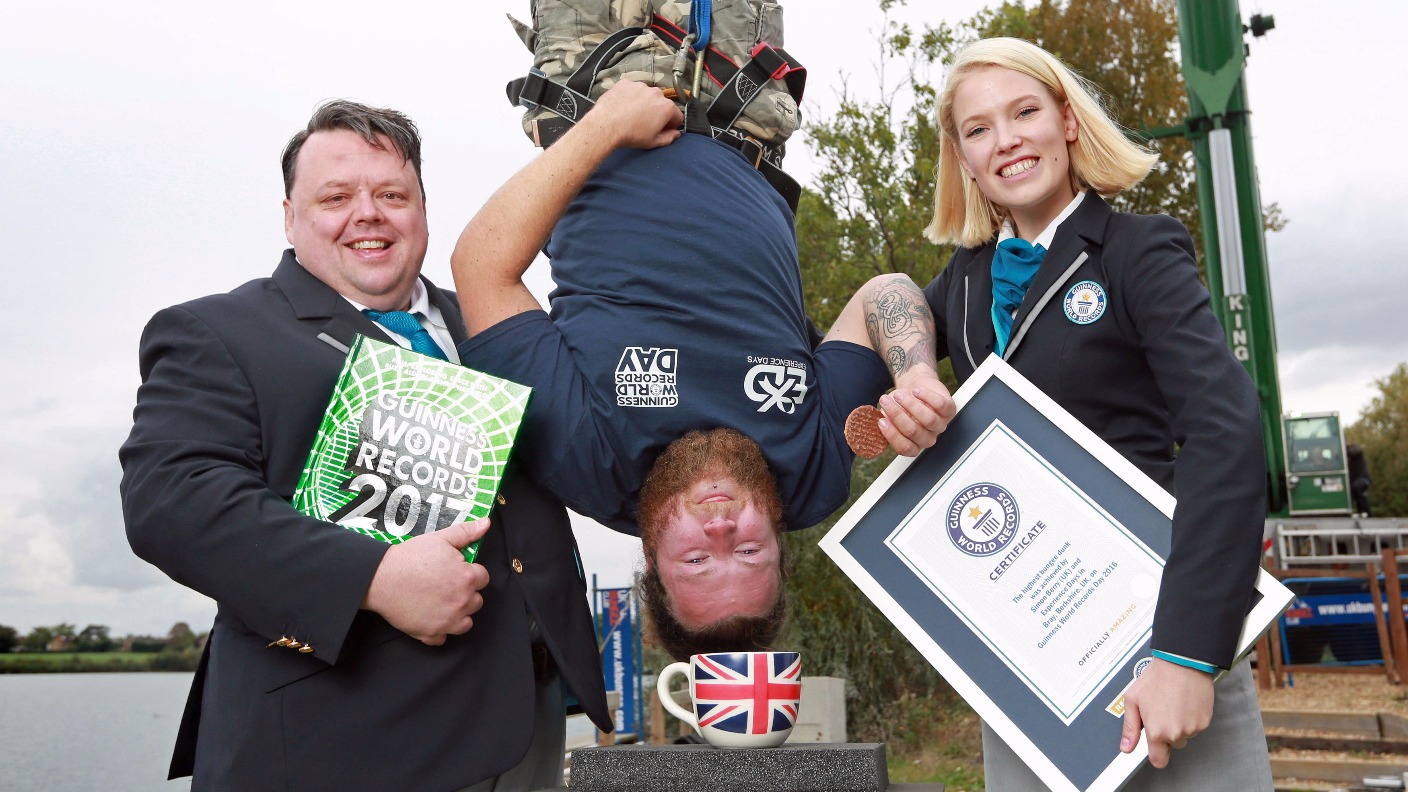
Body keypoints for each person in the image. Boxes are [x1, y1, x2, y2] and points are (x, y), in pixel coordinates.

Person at [119, 100, 609, 791]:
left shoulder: (494, 320)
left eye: (391, 195)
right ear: (290, 217)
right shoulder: (217, 333)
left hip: (531, 724)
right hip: (341, 745)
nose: (368, 214)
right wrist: (373, 578)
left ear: (423, 212)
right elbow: (172, 502)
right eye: (336, 198)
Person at [451, 81, 955, 659]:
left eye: (695, 560)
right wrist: (916, 375)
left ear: (650, 557)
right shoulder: (815, 472)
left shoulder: (582, 460)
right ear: (781, 549)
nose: (721, 530)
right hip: (747, 105)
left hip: (598, 86)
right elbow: (885, 292)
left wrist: (606, 125)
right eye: (749, 553)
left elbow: (481, 268)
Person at [920, 38, 1271, 789]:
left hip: (1160, 648)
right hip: (1034, 673)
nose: (1006, 139)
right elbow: (879, 317)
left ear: (1069, 122)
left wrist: (1187, 652)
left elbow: (1226, 430)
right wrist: (909, 369)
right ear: (964, 159)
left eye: (1025, 112)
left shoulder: (1137, 250)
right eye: (978, 129)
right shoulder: (961, 283)